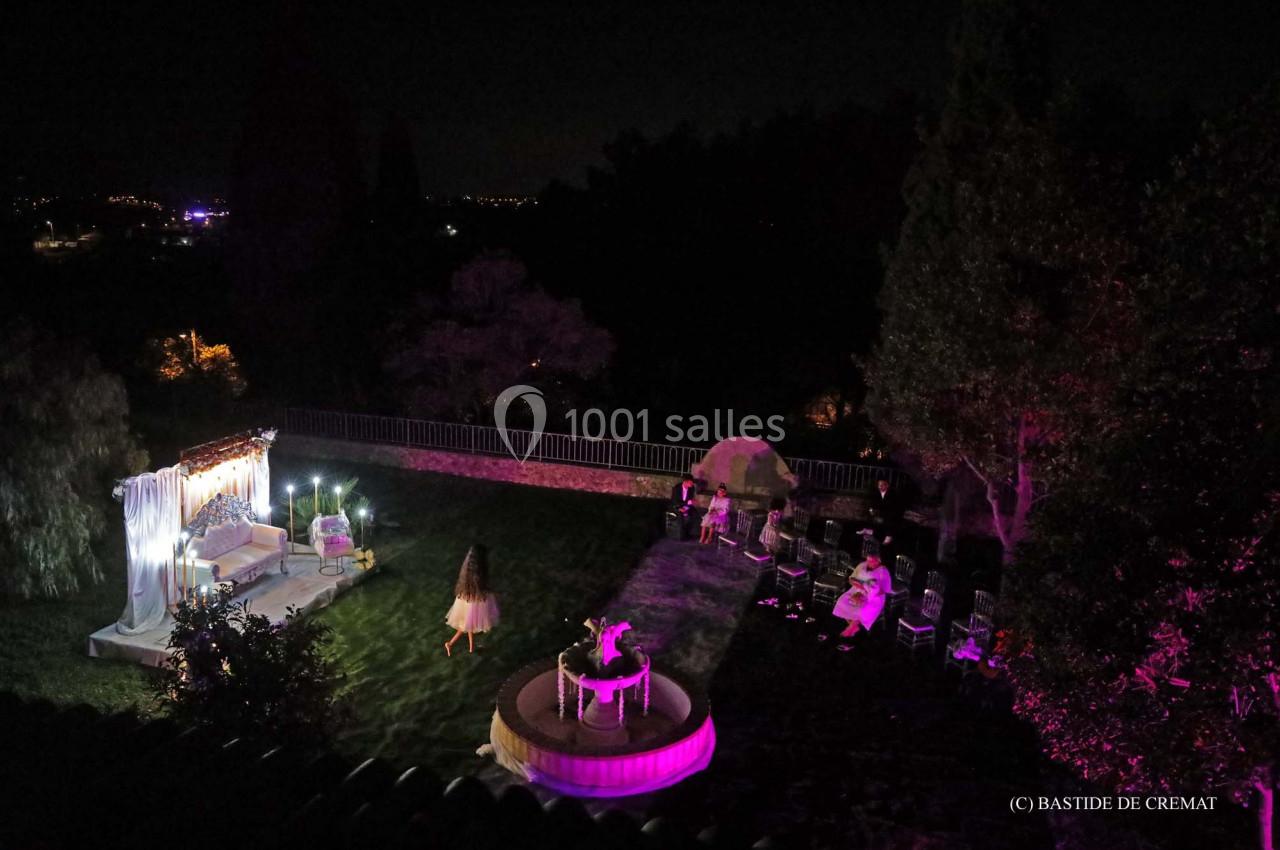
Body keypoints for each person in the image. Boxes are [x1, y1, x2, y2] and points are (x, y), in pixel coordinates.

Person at [445, 544, 500, 656]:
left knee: (468, 624)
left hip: (467, 599)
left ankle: (469, 647)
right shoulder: (480, 572)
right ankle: (452, 644)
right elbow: (482, 587)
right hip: (474, 601)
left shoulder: (466, 570)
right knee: (467, 625)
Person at [832, 553, 892, 637]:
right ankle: (853, 626)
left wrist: (869, 590)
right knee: (842, 601)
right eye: (868, 560)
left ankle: (851, 628)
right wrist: (858, 588)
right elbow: (851, 579)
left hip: (875, 597)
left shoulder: (883, 571)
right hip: (857, 590)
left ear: (878, 561)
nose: (869, 562)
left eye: (872, 561)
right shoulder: (862, 565)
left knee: (862, 609)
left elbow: (884, 590)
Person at [668, 474, 699, 538]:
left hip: (687, 506)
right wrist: (680, 508)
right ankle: (681, 534)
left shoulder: (691, 488)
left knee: (695, 514)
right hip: (678, 506)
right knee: (682, 516)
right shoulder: (677, 488)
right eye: (690, 482)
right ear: (685, 482)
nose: (692, 484)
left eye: (692, 482)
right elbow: (674, 501)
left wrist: (691, 503)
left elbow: (690, 499)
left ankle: (693, 533)